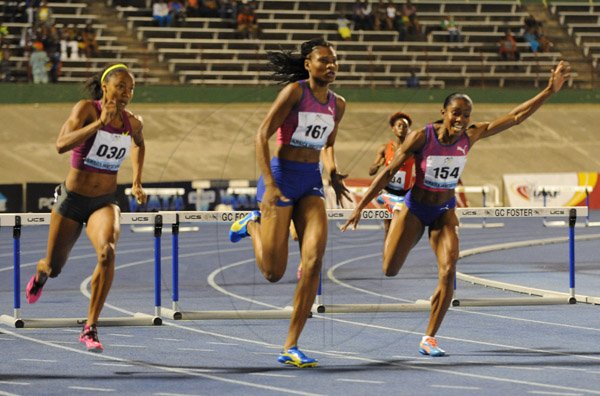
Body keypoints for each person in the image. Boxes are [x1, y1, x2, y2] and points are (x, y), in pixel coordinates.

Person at [341, 61, 571, 357]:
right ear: (443, 113)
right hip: (414, 208)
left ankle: (429, 338)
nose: (461, 119)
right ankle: (394, 223)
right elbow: (387, 173)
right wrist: (360, 205)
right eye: (456, 113)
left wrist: (549, 91)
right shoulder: (421, 137)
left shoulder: (471, 135)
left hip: (444, 212)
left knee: (449, 270)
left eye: (466, 114)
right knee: (389, 269)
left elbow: (516, 116)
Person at [228, 38, 350, 368]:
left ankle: (291, 345)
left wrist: (334, 174)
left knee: (312, 261)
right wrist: (268, 183)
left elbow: (327, 145)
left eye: (334, 61)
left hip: (310, 181)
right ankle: (251, 225)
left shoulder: (338, 104)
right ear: (308, 64)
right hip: (281, 178)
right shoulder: (295, 93)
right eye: (323, 60)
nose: (331, 65)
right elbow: (260, 134)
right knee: (272, 272)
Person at [25, 64, 147, 353]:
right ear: (105, 87)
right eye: (120, 86)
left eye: (130, 89)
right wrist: (97, 125)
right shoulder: (86, 110)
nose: (126, 93)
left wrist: (137, 181)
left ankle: (90, 326)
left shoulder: (133, 123)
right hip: (72, 200)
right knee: (53, 267)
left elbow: (140, 144)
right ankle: (41, 274)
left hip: (104, 202)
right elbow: (60, 144)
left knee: (108, 252)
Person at [368, 112, 415, 237]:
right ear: (393, 129)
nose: (402, 128)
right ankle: (387, 255)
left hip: (405, 193)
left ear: (409, 129)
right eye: (399, 125)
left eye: (405, 126)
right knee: (388, 227)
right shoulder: (385, 148)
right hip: (388, 192)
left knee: (402, 227)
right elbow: (371, 171)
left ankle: (396, 253)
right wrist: (378, 165)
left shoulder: (413, 149)